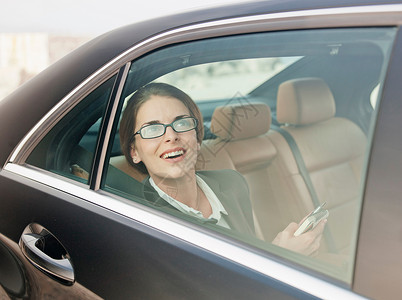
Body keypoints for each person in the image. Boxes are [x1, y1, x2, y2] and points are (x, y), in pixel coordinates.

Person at [119, 82, 326, 256]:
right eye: (152, 129)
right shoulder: (140, 220)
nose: (171, 136)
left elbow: (244, 263)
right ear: (134, 151)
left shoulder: (232, 182)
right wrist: (282, 259)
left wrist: (275, 253)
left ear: (197, 138)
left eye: (182, 123)